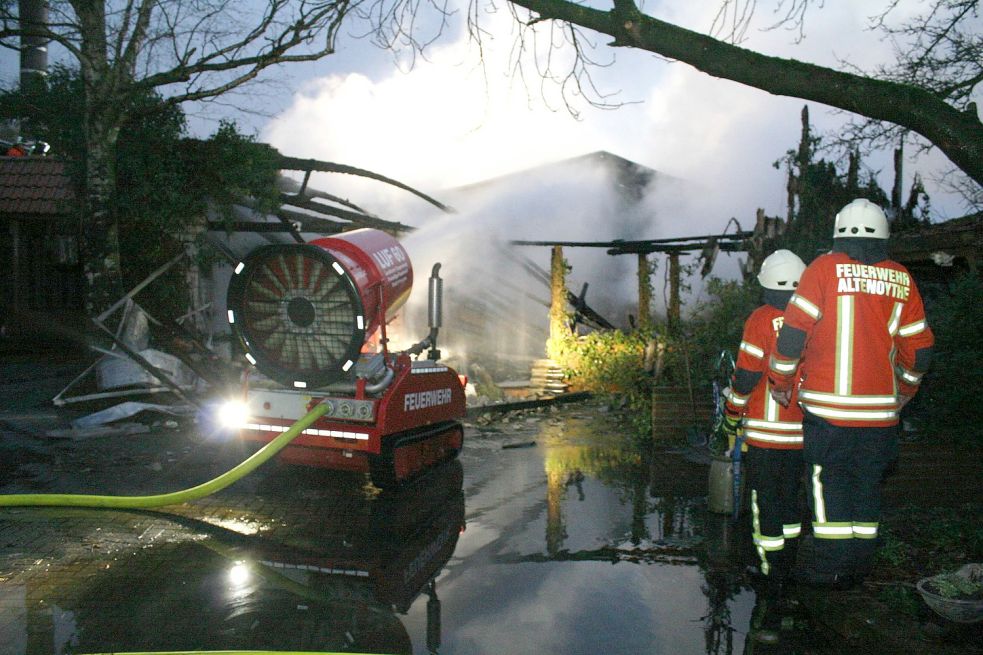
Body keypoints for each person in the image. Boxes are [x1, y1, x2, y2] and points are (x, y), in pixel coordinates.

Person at [768, 198, 934, 589]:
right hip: (880, 417)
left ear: (839, 234)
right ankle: (859, 567)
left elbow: (792, 335)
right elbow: (920, 349)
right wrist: (906, 388)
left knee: (829, 487)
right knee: (866, 487)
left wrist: (781, 382)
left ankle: (829, 571)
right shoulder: (901, 278)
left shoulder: (823, 269)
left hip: (829, 413)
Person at [720, 249, 806, 640]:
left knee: (765, 505)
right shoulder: (814, 318)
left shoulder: (759, 320)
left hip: (768, 435)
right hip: (806, 433)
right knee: (792, 503)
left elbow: (746, 376)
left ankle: (771, 581)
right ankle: (788, 567)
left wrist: (732, 414)